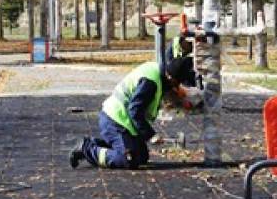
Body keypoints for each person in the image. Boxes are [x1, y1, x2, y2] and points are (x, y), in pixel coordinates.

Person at [69, 57, 197, 170]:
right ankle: (87, 149)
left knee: (142, 156)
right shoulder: (150, 83)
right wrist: (150, 135)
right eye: (178, 83)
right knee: (130, 159)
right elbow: (135, 111)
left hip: (123, 121)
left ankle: (99, 145)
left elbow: (167, 95)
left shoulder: (159, 73)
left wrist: (186, 103)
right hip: (115, 120)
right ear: (171, 78)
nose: (178, 86)